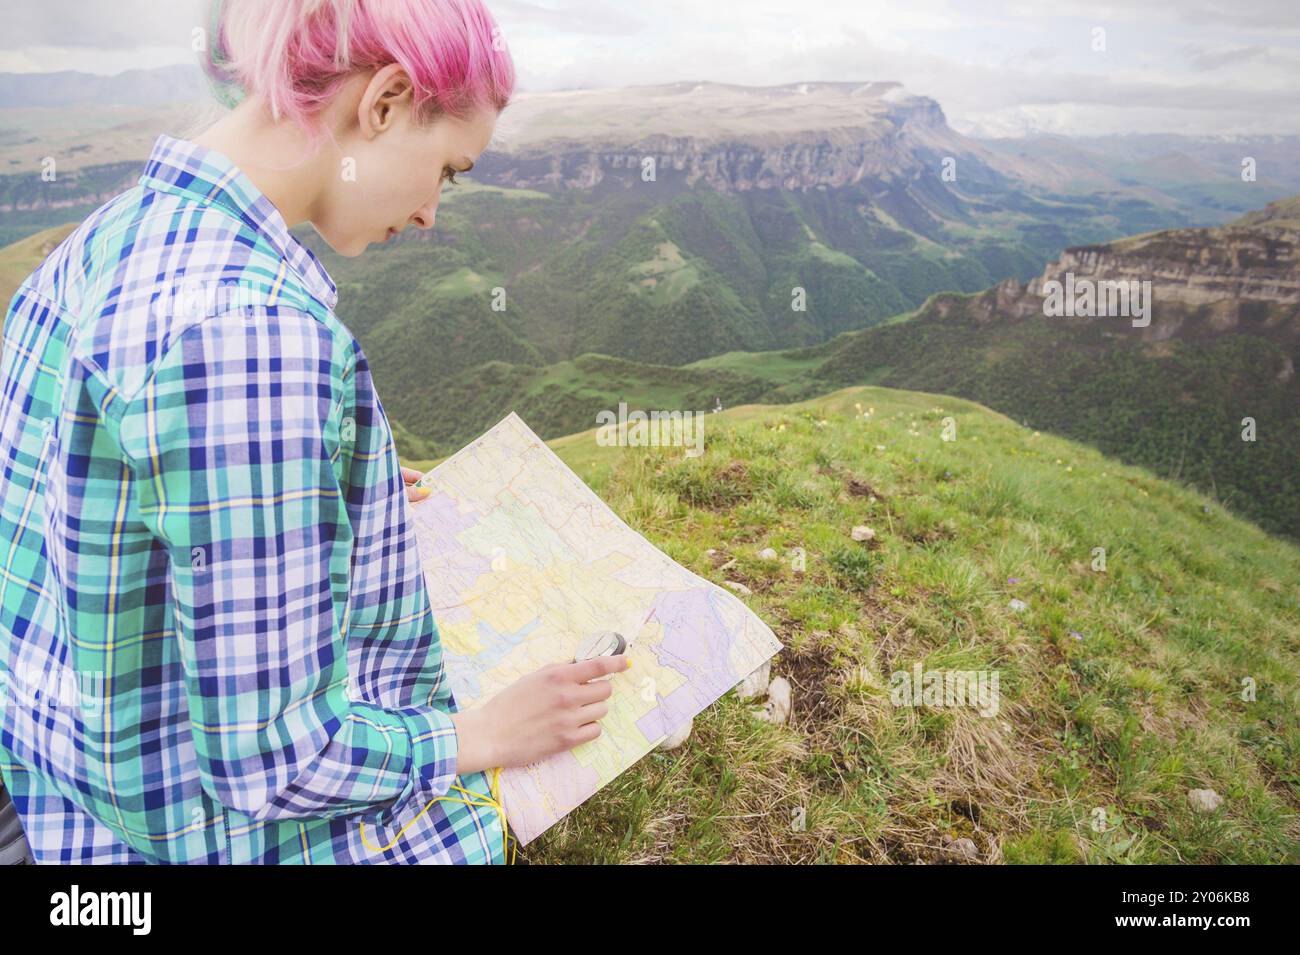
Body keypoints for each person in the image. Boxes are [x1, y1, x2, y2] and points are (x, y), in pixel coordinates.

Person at [0, 0, 625, 865]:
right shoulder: (251, 333)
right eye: (448, 170)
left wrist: (320, 499)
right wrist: (474, 736)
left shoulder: (113, 234)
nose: (432, 214)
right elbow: (273, 759)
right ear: (386, 100)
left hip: (56, 787)